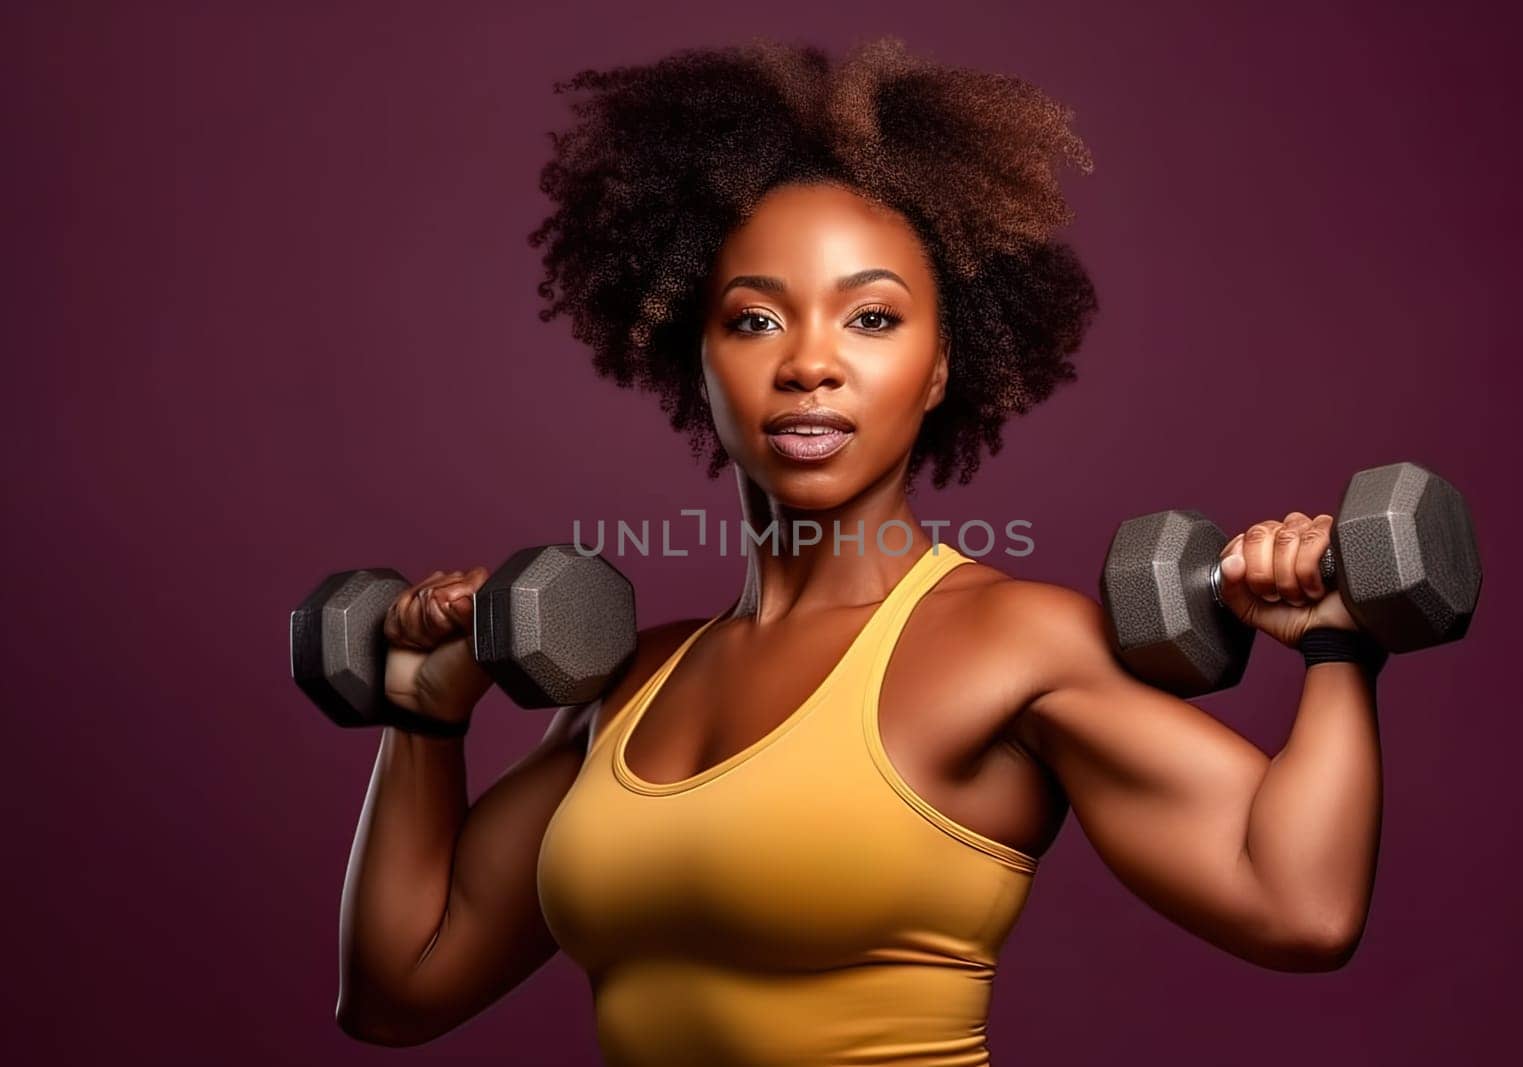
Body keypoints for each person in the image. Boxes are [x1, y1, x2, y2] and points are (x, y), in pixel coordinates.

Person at [332, 37, 1390, 1065]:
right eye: (752, 321)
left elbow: (1297, 905)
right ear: (690, 359)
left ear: (940, 367)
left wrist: (1337, 647)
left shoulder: (1012, 641)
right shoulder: (628, 681)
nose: (809, 365)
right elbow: (400, 991)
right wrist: (425, 712)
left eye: (872, 318)